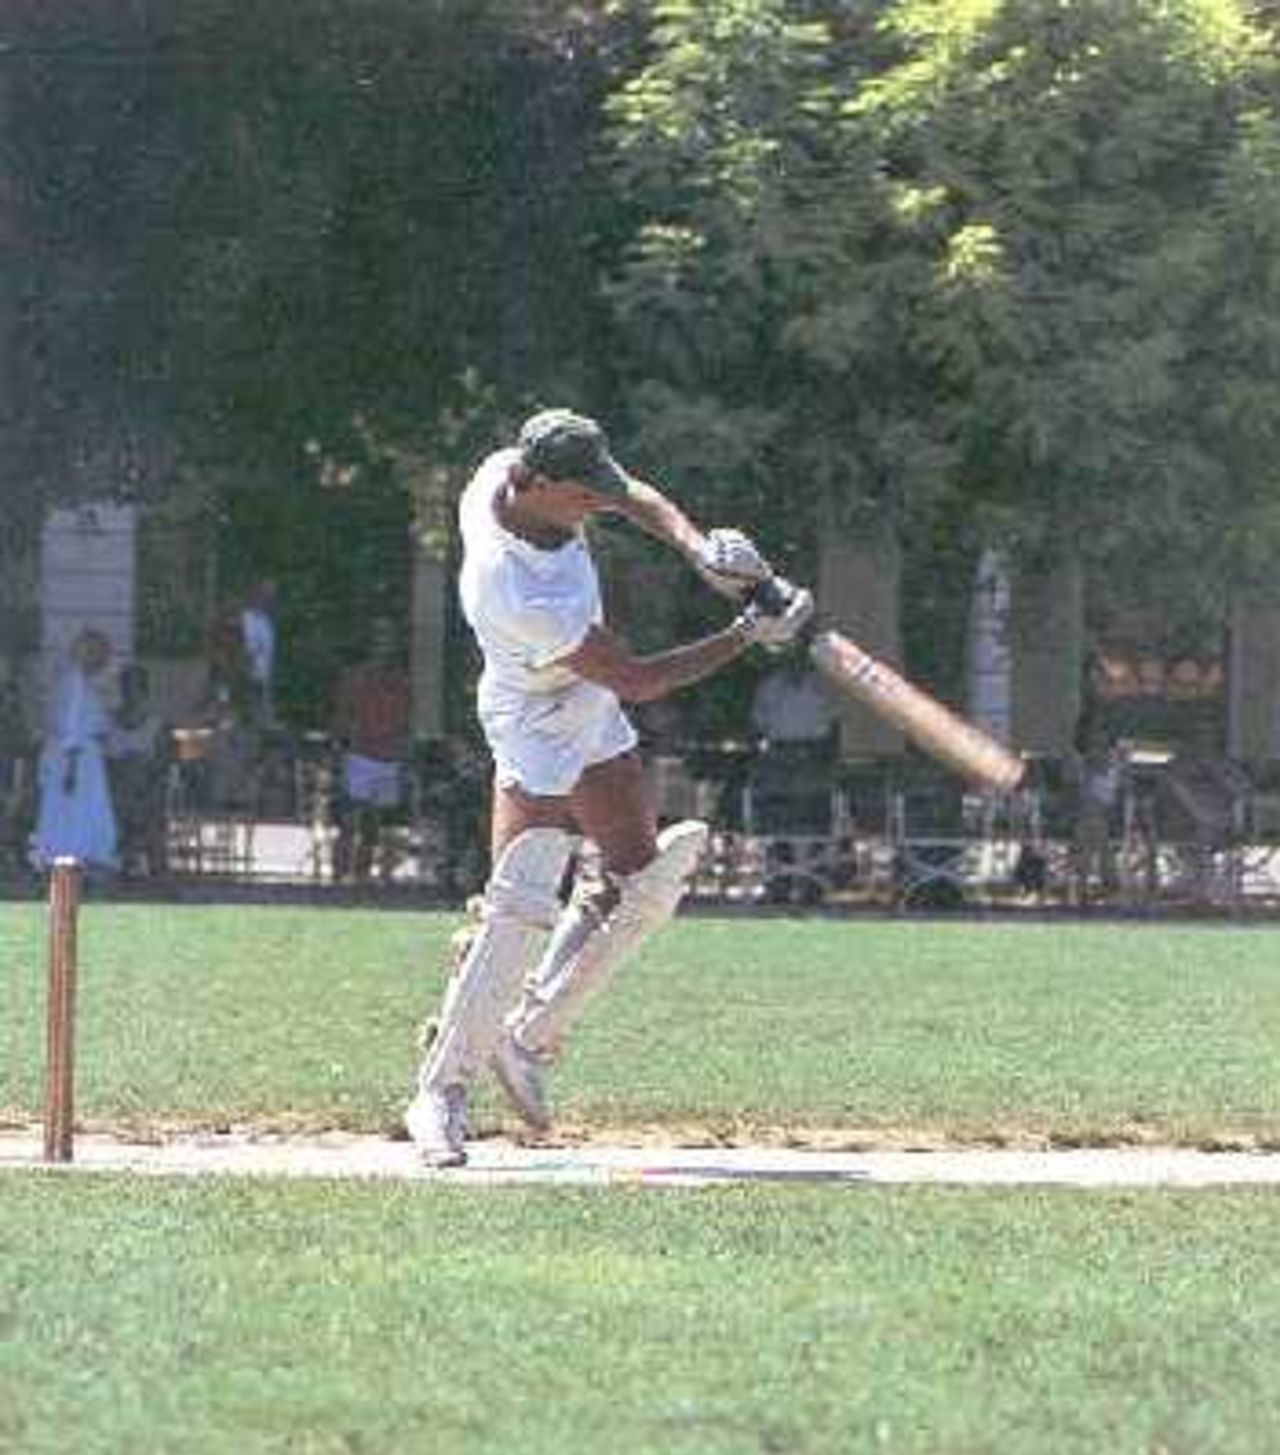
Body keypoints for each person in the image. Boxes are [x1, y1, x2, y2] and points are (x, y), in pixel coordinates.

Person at [404, 407, 813, 1166]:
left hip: (586, 698)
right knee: (520, 904)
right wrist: (746, 635)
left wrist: (706, 554)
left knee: (639, 881)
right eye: (582, 495)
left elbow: (637, 497)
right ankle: (441, 1092)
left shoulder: (508, 469)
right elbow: (636, 678)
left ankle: (527, 1040)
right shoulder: (513, 586)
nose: (599, 504)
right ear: (537, 484)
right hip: (533, 712)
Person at [331, 616, 412, 881]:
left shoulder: (402, 682)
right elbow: (343, 716)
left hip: (389, 758)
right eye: (379, 637)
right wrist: (342, 747)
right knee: (349, 820)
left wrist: (402, 753)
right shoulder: (355, 677)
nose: (383, 644)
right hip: (360, 756)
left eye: (388, 638)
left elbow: (405, 721)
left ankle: (365, 876)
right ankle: (339, 875)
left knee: (376, 825)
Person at [30, 629, 118, 871]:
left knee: (77, 809)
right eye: (99, 654)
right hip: (78, 757)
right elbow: (71, 723)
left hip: (78, 755)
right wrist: (71, 765)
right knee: (78, 808)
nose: (103, 660)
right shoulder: (76, 681)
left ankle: (72, 852)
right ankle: (74, 852)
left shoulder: (72, 679)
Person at [105, 663, 171, 877]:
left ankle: (152, 868)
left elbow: (163, 764)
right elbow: (102, 762)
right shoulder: (108, 723)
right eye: (127, 687)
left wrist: (140, 769)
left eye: (137, 687)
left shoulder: (157, 726)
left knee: (148, 806)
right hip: (114, 793)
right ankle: (119, 861)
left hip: (146, 792)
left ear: (145, 691)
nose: (131, 693)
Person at [239, 580, 278, 726]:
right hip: (247, 675)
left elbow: (268, 651)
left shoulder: (266, 620)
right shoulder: (245, 618)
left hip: (264, 676)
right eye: (266, 595)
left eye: (271, 596)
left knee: (264, 716)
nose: (269, 599)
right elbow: (247, 647)